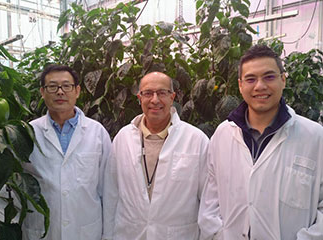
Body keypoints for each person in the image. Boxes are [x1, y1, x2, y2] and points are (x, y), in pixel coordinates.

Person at [198, 45, 323, 239]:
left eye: (269, 77)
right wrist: (218, 234)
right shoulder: (223, 134)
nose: (260, 86)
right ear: (240, 85)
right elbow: (210, 201)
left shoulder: (314, 137)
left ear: (283, 80)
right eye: (250, 79)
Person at [103, 72, 209, 240]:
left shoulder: (196, 139)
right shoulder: (123, 138)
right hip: (129, 234)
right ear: (139, 97)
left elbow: (208, 199)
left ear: (172, 97)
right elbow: (111, 194)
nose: (155, 100)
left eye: (162, 93)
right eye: (148, 93)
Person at [22, 65, 112, 240]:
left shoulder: (97, 132)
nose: (60, 92)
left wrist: (107, 235)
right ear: (42, 91)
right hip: (42, 230)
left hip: (86, 230)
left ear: (77, 91)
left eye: (66, 86)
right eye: (52, 86)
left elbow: (108, 189)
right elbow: (20, 185)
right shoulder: (28, 133)